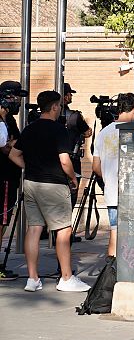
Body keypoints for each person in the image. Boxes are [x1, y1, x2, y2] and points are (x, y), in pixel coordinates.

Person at [9, 90, 91, 293]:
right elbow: (65, 161)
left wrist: (29, 167)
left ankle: (32, 278)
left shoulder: (29, 128)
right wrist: (73, 178)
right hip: (54, 185)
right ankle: (66, 277)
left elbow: (14, 154)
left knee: (34, 229)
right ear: (54, 106)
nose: (60, 108)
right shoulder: (59, 130)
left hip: (31, 183)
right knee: (63, 230)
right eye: (59, 106)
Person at [92, 93, 134, 258]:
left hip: (112, 192)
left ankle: (112, 266)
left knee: (115, 232)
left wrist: (108, 179)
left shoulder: (103, 133)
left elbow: (96, 167)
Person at [0, 81, 22, 280]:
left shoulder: (10, 121)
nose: (18, 102)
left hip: (10, 176)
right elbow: (7, 148)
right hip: (4, 176)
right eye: (15, 97)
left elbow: (16, 143)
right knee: (1, 220)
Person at [60, 83, 92, 210]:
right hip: (72, 161)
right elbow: (87, 132)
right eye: (70, 94)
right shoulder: (74, 117)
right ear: (65, 96)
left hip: (53, 164)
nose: (71, 96)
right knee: (70, 200)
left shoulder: (50, 116)